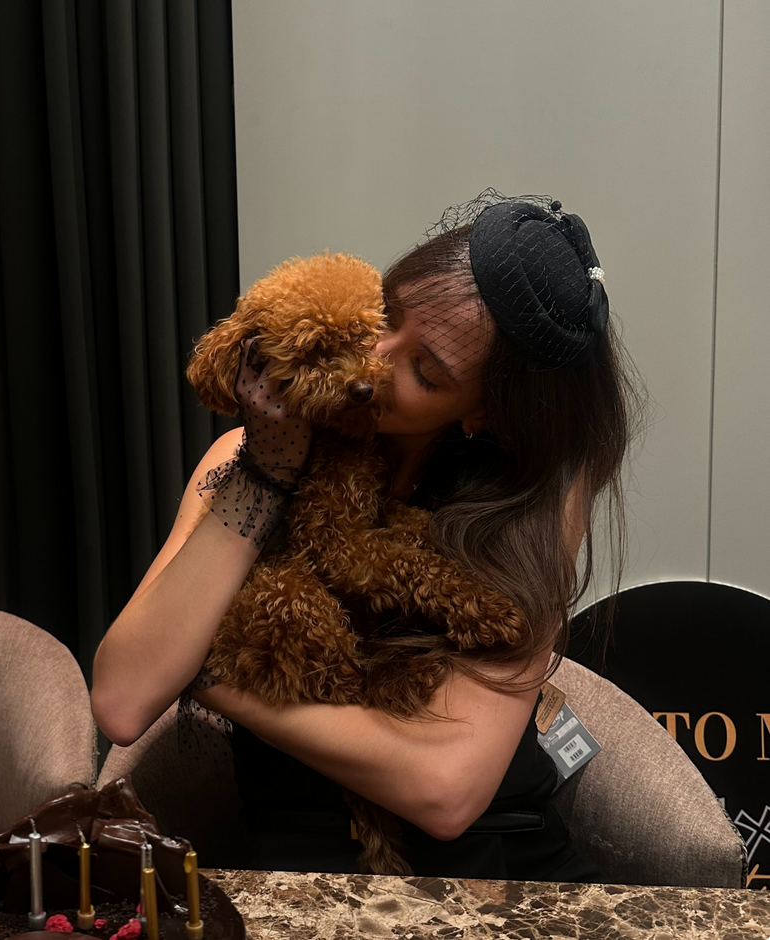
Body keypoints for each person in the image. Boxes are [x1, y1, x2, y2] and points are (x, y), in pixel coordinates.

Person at [91, 191, 643, 881]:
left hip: (489, 873)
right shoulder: (243, 460)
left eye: (424, 371)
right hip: (300, 874)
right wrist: (267, 474)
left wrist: (213, 680)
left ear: (485, 413)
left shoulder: (527, 515)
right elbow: (122, 699)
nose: (375, 360)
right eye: (385, 314)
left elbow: (445, 793)